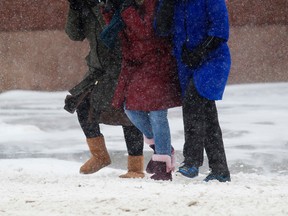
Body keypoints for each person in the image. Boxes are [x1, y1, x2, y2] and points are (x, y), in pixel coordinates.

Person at [64, 0, 145, 178]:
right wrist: (74, 8)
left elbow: (110, 33)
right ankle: (99, 155)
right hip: (98, 68)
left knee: (128, 112)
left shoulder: (114, 4)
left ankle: (135, 167)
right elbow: (75, 34)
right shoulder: (85, 6)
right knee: (81, 103)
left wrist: (101, 7)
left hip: (122, 65)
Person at [102, 0, 182, 181]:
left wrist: (127, 9)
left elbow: (146, 32)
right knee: (130, 108)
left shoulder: (152, 3)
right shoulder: (128, 6)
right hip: (136, 63)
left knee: (157, 114)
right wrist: (109, 11)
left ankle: (163, 167)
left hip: (158, 60)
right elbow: (120, 30)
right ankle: (164, 149)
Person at [154, 0, 231, 182]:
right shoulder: (176, 3)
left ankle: (192, 162)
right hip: (187, 65)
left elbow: (220, 30)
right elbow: (161, 29)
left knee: (192, 101)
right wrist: (166, 4)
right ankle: (220, 170)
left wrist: (200, 51)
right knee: (207, 114)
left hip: (213, 61)